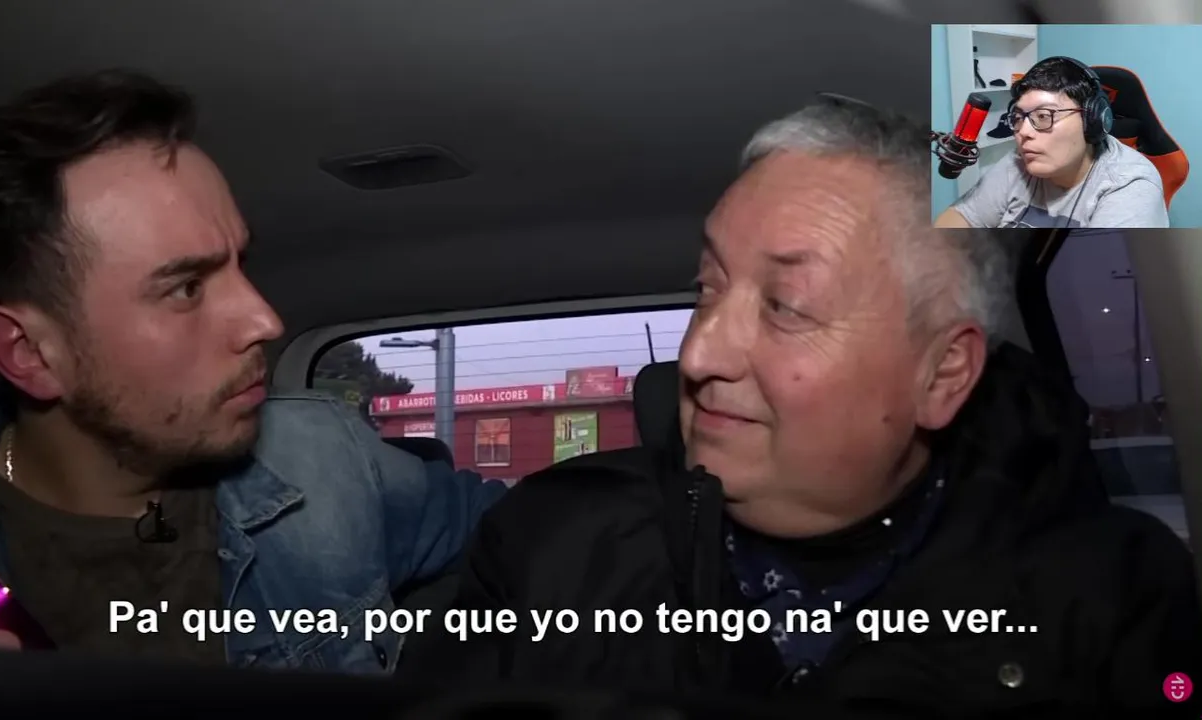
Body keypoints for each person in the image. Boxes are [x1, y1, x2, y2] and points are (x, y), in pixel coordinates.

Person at [399, 95, 1201, 717]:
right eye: (707, 289)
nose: (699, 354)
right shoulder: (548, 547)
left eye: (785, 305)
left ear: (941, 375)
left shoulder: (1113, 598)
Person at [0, 69, 506, 671]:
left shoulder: (322, 458)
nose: (265, 320)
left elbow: (534, 532)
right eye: (187, 287)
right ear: (28, 352)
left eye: (240, 265)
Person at [935, 56, 1169, 229]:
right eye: (1018, 118)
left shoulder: (1130, 185)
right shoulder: (1019, 161)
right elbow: (962, 217)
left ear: (1092, 122)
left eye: (1043, 116)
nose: (1023, 132)